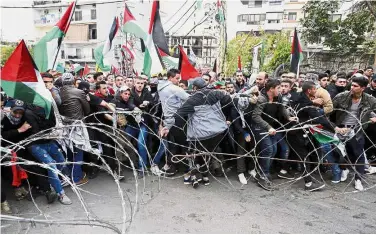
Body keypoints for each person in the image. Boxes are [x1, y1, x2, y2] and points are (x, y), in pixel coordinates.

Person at [161, 77, 254, 188]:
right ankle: (204, 176)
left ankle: (197, 175)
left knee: (196, 154)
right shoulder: (216, 94)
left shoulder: (192, 100)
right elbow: (233, 100)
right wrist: (248, 99)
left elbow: (178, 114)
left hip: (201, 134)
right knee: (207, 153)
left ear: (195, 88)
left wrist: (167, 127)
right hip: (218, 131)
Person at [331, 75, 376, 191]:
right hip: (341, 129)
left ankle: (358, 179)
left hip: (357, 130)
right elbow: (328, 114)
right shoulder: (341, 97)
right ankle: (344, 168)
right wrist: (335, 128)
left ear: (363, 88)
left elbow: (372, 112)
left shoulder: (370, 100)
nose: (352, 88)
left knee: (359, 155)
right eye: (351, 85)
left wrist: (374, 117)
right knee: (339, 153)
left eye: (355, 86)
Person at [251, 79, 294, 190]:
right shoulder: (262, 99)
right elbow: (255, 116)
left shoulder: (277, 97)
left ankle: (263, 172)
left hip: (271, 128)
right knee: (269, 149)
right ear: (271, 89)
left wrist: (288, 117)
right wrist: (268, 127)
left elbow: (281, 107)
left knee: (274, 149)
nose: (281, 90)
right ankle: (263, 175)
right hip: (260, 127)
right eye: (278, 88)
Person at [157, 69, 190, 177]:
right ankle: (187, 168)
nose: (178, 80)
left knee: (172, 144)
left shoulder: (160, 87)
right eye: (177, 78)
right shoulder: (173, 88)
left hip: (168, 119)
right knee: (183, 144)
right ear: (170, 78)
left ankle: (173, 167)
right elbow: (188, 98)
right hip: (178, 118)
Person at [59, 73, 90, 185]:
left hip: (64, 126)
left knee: (68, 151)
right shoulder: (79, 92)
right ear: (73, 81)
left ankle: (68, 176)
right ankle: (77, 177)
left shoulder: (58, 93)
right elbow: (87, 110)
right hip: (77, 126)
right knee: (78, 151)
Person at [127, 77, 153, 176]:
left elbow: (152, 102)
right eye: (138, 83)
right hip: (132, 123)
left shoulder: (147, 92)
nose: (140, 85)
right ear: (134, 84)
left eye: (142, 83)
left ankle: (143, 166)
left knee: (141, 143)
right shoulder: (130, 92)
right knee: (124, 142)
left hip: (144, 123)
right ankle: (131, 163)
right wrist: (136, 107)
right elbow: (129, 103)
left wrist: (148, 103)